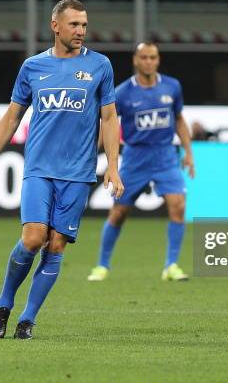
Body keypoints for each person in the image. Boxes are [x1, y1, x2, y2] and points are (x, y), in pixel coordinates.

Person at [0, 0, 123, 340]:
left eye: (84, 24)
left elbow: (109, 117)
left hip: (79, 173)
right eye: (74, 24)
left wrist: (112, 166)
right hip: (39, 168)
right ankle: (4, 303)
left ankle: (28, 319)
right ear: (56, 26)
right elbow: (12, 117)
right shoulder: (33, 67)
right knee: (34, 238)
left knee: (55, 246)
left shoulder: (100, 66)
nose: (81, 31)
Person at [87, 42, 194, 282]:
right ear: (136, 60)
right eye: (144, 57)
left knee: (178, 205)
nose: (148, 62)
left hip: (166, 155)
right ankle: (102, 265)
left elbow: (178, 119)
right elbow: (109, 123)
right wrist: (94, 153)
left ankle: (171, 265)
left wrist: (188, 153)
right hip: (136, 157)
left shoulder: (172, 86)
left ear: (158, 60)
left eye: (153, 57)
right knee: (119, 212)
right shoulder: (123, 92)